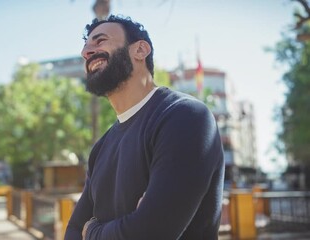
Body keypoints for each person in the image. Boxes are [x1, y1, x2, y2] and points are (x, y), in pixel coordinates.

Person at [65, 15, 225, 240]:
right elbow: (73, 231)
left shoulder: (185, 117)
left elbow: (150, 232)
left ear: (140, 50)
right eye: (85, 46)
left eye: (100, 41)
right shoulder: (101, 148)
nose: (86, 52)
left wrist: (91, 231)